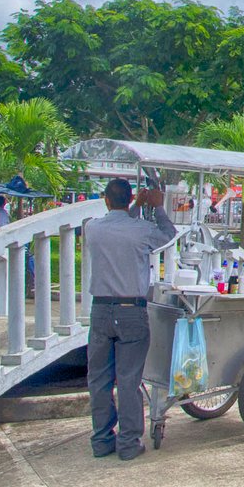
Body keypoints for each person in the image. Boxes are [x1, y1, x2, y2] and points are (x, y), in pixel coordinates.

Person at [85, 179, 176, 461]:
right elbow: (168, 234)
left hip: (100, 310)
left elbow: (120, 223)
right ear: (130, 198)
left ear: (106, 200)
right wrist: (157, 206)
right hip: (131, 310)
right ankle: (128, 443)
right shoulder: (142, 230)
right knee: (128, 379)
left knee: (99, 379)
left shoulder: (92, 228)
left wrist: (135, 205)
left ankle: (101, 440)